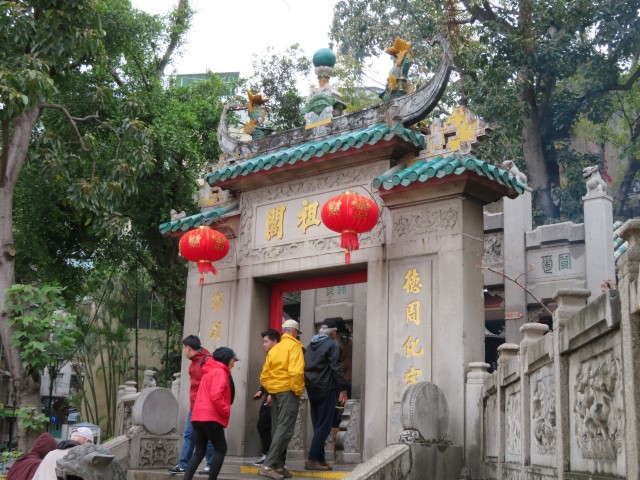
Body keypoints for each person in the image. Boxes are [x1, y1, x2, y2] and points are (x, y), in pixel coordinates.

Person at [257, 319, 305, 480]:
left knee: (278, 428)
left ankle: (278, 465)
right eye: (297, 333)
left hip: (275, 392)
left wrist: (271, 388)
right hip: (288, 391)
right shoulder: (294, 346)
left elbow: (264, 375)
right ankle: (268, 465)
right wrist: (297, 390)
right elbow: (296, 372)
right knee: (285, 429)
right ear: (293, 332)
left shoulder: (275, 348)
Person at [183, 347, 238, 480]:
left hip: (197, 417)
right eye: (233, 360)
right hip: (211, 417)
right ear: (226, 359)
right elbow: (216, 395)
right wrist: (225, 410)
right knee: (221, 449)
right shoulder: (220, 372)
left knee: (199, 451)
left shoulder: (209, 371)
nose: (234, 363)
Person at [303, 319, 348, 471]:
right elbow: (336, 367)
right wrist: (342, 388)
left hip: (312, 389)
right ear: (333, 332)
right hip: (326, 388)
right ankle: (311, 459)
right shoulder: (332, 344)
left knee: (318, 425)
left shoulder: (310, 345)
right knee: (325, 426)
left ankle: (320, 459)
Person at [169, 335, 214, 475]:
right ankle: (183, 464)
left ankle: (210, 465)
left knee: (209, 437)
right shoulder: (194, 361)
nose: (183, 351)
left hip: (205, 407)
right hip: (194, 406)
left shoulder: (207, 360)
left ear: (188, 348)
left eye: (184, 348)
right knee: (189, 434)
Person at [253, 329, 281, 465]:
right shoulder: (270, 354)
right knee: (263, 425)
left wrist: (271, 394)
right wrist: (262, 391)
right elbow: (268, 376)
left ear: (275, 341)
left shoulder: (279, 354)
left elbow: (278, 376)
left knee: (271, 426)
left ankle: (274, 456)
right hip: (269, 393)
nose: (264, 344)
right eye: (263, 342)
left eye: (266, 341)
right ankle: (268, 454)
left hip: (276, 395)